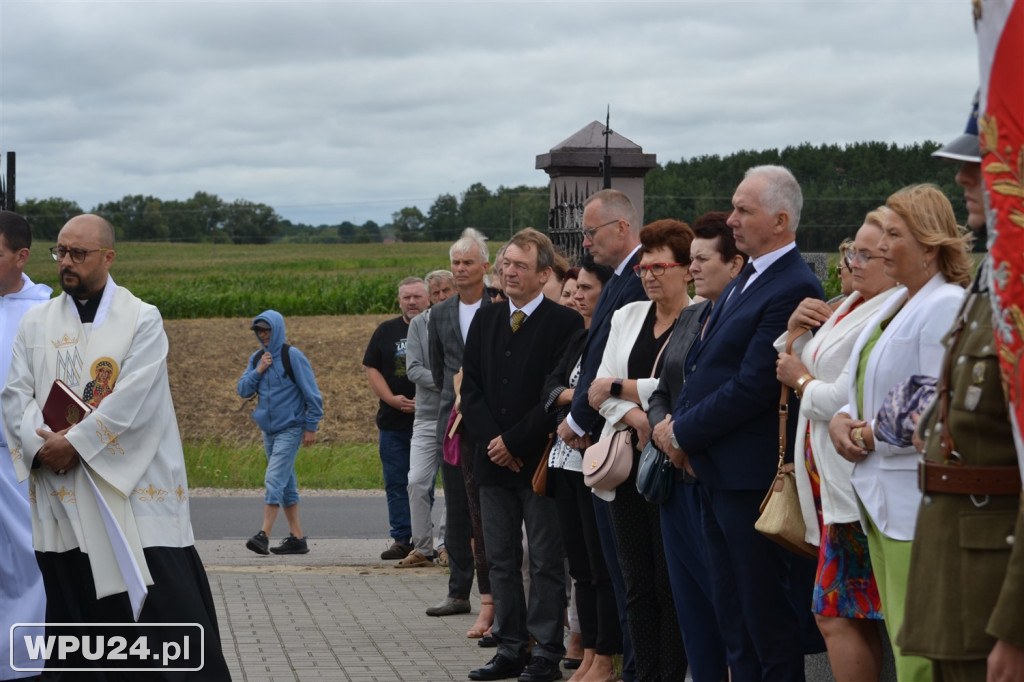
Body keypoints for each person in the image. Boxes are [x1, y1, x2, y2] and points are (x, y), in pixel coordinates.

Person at [1, 213, 229, 679]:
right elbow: (15, 396)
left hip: (132, 500)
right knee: (77, 621)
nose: (66, 262)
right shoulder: (35, 321)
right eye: (60, 251)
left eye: (78, 254)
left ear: (108, 257)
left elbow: (134, 403)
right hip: (61, 497)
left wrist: (77, 445)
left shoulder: (142, 319)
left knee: (166, 623)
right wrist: (42, 447)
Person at [672, 166, 826, 680]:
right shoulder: (753, 275)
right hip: (719, 472)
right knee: (733, 614)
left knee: (766, 619)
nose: (731, 219)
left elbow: (754, 385)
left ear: (780, 220)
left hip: (752, 478)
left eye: (744, 210)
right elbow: (704, 364)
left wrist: (684, 431)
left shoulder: (792, 284)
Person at [898, 98, 1024, 681]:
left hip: (997, 590)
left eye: (983, 161)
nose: (963, 176)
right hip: (957, 575)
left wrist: (1016, 627)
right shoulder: (991, 278)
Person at [828, 184, 972, 681]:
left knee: (921, 653)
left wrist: (864, 434)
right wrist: (842, 418)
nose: (880, 245)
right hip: (881, 500)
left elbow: (936, 401)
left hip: (916, 501)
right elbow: (866, 387)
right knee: (903, 639)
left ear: (930, 245)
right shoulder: (895, 306)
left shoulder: (945, 304)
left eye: (894, 234)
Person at [773, 215, 898, 680]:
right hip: (830, 486)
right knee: (840, 613)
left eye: (865, 255)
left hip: (855, 488)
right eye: (851, 254)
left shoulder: (889, 311)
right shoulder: (851, 304)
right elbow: (791, 359)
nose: (852, 262)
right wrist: (795, 331)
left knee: (840, 612)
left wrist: (801, 379)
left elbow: (844, 396)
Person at [462, 228, 583, 682]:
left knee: (546, 560)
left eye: (520, 266)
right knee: (500, 558)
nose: (509, 272)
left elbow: (554, 393)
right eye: (505, 263)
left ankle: (546, 653)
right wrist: (495, 441)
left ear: (544, 274)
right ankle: (511, 647)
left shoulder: (564, 324)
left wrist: (515, 442)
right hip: (492, 463)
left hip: (538, 461)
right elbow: (470, 388)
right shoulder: (487, 319)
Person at [589, 220, 694, 681]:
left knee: (670, 583)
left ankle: (670, 674)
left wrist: (622, 386)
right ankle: (641, 673)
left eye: (660, 266)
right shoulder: (626, 316)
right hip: (627, 466)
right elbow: (597, 391)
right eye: (644, 268)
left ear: (686, 270)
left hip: (672, 468)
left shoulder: (703, 316)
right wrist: (638, 415)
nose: (649, 276)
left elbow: (683, 383)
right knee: (635, 583)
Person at [554, 188, 647, 682]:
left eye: (591, 232)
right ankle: (611, 658)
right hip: (600, 425)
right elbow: (596, 356)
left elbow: (614, 363)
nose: (585, 243)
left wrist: (581, 421)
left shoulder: (634, 279)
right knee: (602, 563)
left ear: (620, 228)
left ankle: (628, 664)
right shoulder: (619, 278)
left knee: (625, 572)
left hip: (616, 434)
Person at [649, 211, 742, 682]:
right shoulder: (692, 316)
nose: (693, 268)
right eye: (691, 259)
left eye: (702, 259)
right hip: (674, 477)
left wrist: (684, 436)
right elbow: (661, 387)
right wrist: (664, 431)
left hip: (707, 474)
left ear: (735, 265)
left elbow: (739, 394)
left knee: (722, 601)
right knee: (690, 606)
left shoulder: (739, 316)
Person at [542, 256, 620, 682]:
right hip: (565, 461)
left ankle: (605, 658)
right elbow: (548, 389)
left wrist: (573, 399)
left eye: (587, 290)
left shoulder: (610, 339)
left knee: (600, 565)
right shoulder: (578, 339)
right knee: (581, 567)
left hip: (598, 463)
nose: (578, 298)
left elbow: (600, 393)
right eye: (576, 290)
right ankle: (589, 651)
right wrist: (576, 396)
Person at [426, 229, 494, 632]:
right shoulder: (440, 313)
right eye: (456, 263)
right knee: (455, 509)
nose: (461, 269)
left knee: (490, 508)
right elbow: (439, 370)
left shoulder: (500, 305)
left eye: (468, 262)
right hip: (453, 424)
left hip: (493, 423)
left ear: (485, 267)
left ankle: (496, 593)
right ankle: (457, 592)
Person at [0, 210, 51, 681]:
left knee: (26, 565)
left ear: (21, 257)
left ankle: (25, 664)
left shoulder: (45, 313)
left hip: (18, 461)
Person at [238, 309, 324, 555]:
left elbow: (312, 393)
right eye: (259, 331)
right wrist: (259, 370)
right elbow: (243, 389)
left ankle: (263, 534)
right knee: (285, 483)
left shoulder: (292, 356)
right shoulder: (257, 359)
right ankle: (297, 539)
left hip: (291, 427)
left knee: (274, 478)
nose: (264, 335)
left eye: (267, 330)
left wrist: (311, 426)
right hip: (268, 431)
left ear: (277, 330)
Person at [363, 276, 429, 560]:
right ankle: (402, 539)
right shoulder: (385, 331)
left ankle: (426, 540)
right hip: (392, 424)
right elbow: (372, 369)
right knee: (396, 482)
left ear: (427, 299)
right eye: (406, 297)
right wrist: (390, 399)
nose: (412, 302)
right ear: (399, 300)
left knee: (422, 483)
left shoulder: (435, 327)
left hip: (427, 420)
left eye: (417, 296)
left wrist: (425, 401)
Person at [399, 269, 455, 568]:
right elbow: (414, 370)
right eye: (436, 293)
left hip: (456, 416)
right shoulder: (419, 324)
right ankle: (422, 547)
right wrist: (450, 382)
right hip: (427, 415)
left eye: (447, 291)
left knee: (452, 483)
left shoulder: (464, 321)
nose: (442, 297)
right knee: (417, 481)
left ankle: (446, 544)